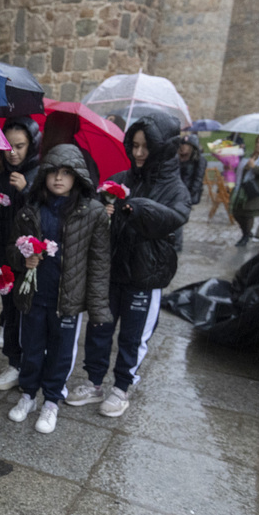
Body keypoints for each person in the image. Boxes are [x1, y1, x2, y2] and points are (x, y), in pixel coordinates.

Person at [66, 112, 191, 417]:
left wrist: (134, 208)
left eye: (145, 147)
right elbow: (96, 208)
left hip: (145, 278)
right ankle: (95, 382)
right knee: (98, 330)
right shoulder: (122, 179)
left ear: (161, 148)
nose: (137, 153)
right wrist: (102, 212)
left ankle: (122, 387)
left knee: (132, 338)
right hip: (110, 272)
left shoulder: (176, 190)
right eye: (134, 145)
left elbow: (172, 217)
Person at [5, 144, 112, 434]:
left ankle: (52, 399)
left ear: (78, 176)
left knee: (62, 353)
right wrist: (24, 259)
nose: (59, 179)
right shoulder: (31, 210)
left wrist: (99, 307)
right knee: (32, 347)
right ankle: (28, 394)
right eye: (53, 172)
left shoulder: (93, 213)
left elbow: (100, 263)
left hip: (68, 299)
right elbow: (12, 251)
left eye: (66, 173)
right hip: (36, 295)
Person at [0, 116, 42, 393]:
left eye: (20, 146)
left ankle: (30, 365)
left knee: (29, 314)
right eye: (9, 146)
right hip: (4, 252)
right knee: (11, 309)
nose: (13, 153)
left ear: (32, 145)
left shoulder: (40, 174)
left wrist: (26, 189)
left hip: (29, 257)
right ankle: (14, 363)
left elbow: (44, 213)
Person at [231, 134, 259, 246]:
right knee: (236, 212)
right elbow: (242, 170)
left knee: (248, 213)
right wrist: (244, 168)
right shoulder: (251, 155)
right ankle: (247, 232)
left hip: (256, 190)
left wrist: (254, 167)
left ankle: (245, 236)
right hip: (244, 188)